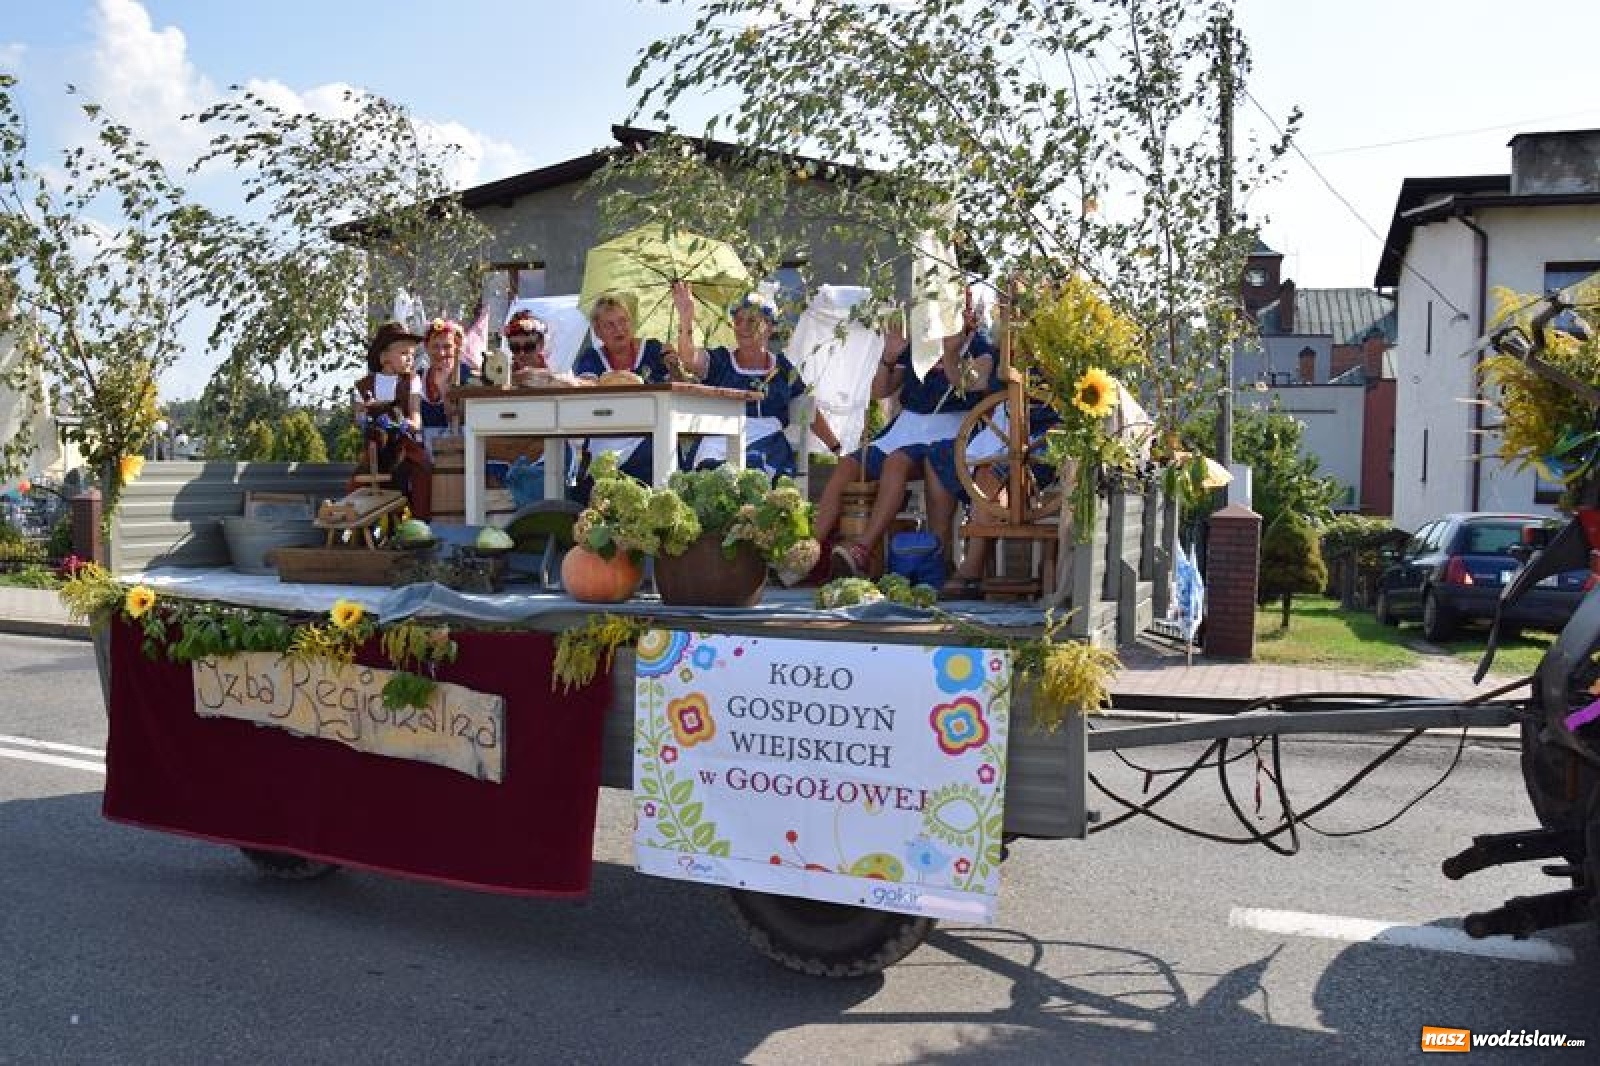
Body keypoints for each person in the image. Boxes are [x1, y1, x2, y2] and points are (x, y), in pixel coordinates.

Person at [814, 299, 997, 577]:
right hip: (907, 425)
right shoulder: (918, 346)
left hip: (952, 428)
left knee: (896, 463)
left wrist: (951, 353)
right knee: (848, 464)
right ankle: (808, 553)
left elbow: (968, 384)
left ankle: (863, 549)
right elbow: (880, 391)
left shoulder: (981, 348)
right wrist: (889, 356)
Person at [688, 291, 843, 477]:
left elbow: (808, 408)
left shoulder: (782, 368)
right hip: (721, 439)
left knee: (754, 469)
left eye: (752, 321)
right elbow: (690, 360)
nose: (743, 327)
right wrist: (685, 316)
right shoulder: (721, 361)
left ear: (770, 327)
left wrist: (836, 449)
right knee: (712, 472)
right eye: (738, 321)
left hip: (768, 445)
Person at [923, 398, 1061, 599]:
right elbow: (981, 386)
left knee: (991, 471)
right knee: (937, 455)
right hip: (1002, 427)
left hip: (1048, 434)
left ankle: (971, 569)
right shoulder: (1000, 367)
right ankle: (940, 558)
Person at [571, 284, 704, 484]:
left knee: (665, 450)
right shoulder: (591, 358)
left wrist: (675, 368)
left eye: (623, 321)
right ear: (598, 331)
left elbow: (681, 393)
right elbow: (586, 387)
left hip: (650, 435)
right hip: (607, 439)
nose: (619, 329)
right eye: (610, 325)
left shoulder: (653, 350)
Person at [353, 320, 432, 518]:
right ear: (384, 357)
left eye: (412, 355)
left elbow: (416, 417)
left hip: (403, 442)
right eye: (404, 353)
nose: (409, 359)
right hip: (375, 444)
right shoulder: (364, 385)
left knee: (422, 467)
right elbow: (359, 417)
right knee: (357, 480)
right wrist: (365, 419)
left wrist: (405, 424)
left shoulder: (411, 381)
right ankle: (358, 521)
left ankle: (420, 518)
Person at [420, 318, 463, 443]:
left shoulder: (467, 377)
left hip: (457, 453)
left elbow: (459, 418)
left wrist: (443, 389)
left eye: (447, 346)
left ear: (456, 347)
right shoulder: (417, 378)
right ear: (426, 347)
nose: (441, 352)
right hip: (425, 456)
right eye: (435, 346)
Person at [503, 310, 551, 386]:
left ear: (541, 344)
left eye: (529, 347)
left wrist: (547, 378)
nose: (522, 353)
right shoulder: (505, 371)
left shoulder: (555, 364)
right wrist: (511, 379)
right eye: (515, 348)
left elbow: (573, 384)